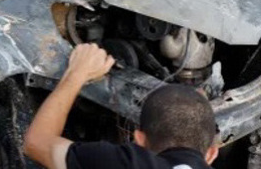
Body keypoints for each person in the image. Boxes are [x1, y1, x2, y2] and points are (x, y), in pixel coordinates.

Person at [24, 44, 220, 169]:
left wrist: (77, 73)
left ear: (139, 139)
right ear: (212, 153)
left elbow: (37, 142)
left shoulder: (123, 163)